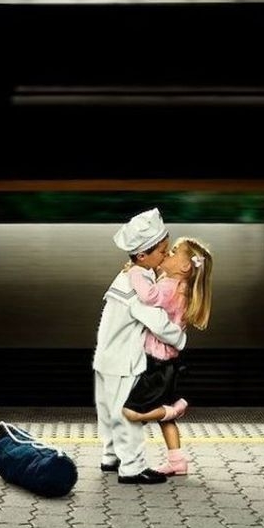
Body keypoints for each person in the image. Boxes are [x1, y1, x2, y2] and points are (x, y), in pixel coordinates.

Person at [93, 208, 187, 485]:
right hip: (124, 360)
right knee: (127, 414)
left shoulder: (125, 275)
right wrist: (179, 338)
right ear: (143, 255)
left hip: (106, 357)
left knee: (108, 412)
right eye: (163, 252)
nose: (165, 257)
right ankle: (132, 468)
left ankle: (111, 457)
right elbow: (155, 320)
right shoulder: (140, 280)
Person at [122, 236, 213, 476]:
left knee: (131, 412)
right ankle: (177, 461)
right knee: (165, 420)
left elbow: (149, 296)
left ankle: (175, 409)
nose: (166, 255)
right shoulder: (182, 288)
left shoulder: (170, 287)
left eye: (172, 252)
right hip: (170, 362)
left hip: (156, 363)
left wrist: (135, 272)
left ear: (184, 266)